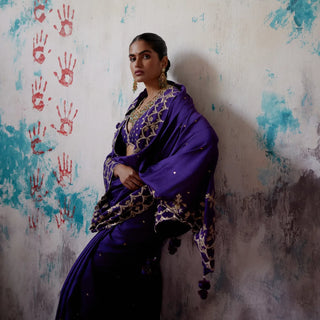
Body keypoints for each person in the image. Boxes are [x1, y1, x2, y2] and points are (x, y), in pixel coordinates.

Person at [55, 33, 219, 320]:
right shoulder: (137, 105)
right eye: (132, 58)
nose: (137, 63)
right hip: (122, 205)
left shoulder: (175, 102)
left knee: (94, 271)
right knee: (135, 281)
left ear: (163, 61)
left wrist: (153, 180)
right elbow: (117, 155)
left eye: (145, 56)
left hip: (145, 209)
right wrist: (117, 168)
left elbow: (205, 141)